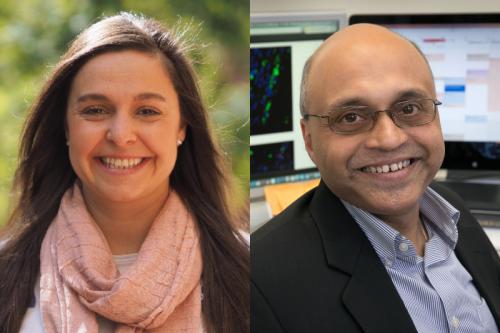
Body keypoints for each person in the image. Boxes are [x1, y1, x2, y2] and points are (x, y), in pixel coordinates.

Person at [0, 13, 249, 333]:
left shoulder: (251, 272)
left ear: (182, 127)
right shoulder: (7, 273)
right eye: (95, 110)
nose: (120, 135)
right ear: (66, 127)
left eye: (147, 111)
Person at [251, 24, 500, 333]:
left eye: (409, 108)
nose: (389, 139)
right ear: (310, 140)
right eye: (351, 117)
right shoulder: (258, 283)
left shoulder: (450, 207)